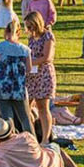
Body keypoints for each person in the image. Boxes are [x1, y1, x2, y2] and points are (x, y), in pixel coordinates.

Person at [0, 119, 84, 167]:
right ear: (11, 130)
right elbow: (37, 150)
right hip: (51, 165)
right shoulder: (26, 136)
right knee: (55, 147)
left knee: (51, 149)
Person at [0, 22, 36, 136]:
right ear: (19, 32)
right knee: (25, 118)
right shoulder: (25, 50)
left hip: (2, 87)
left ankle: (10, 142)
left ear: (6, 31)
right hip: (18, 88)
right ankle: (33, 143)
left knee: (7, 118)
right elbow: (29, 69)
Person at [25, 12, 57, 144]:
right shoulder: (31, 38)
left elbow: (47, 57)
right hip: (32, 76)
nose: (29, 28)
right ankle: (31, 135)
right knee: (26, 106)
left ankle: (45, 138)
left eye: (31, 25)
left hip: (43, 74)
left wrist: (29, 62)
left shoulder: (47, 36)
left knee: (43, 107)